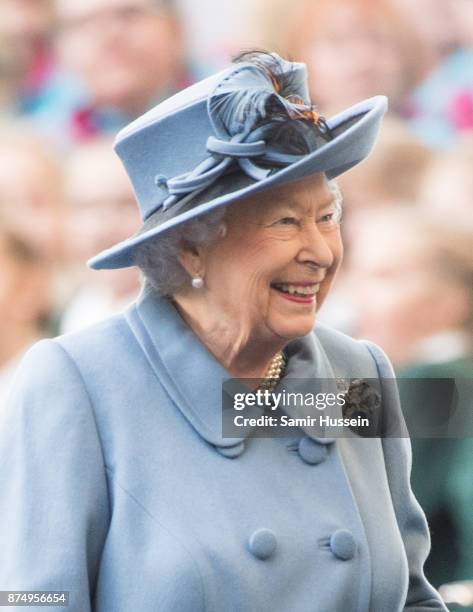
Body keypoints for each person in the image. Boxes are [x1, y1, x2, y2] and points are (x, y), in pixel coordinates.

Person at [0, 52, 447, 611]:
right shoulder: (78, 385)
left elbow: (410, 596)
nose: (320, 252)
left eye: (327, 217)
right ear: (191, 247)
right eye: (285, 222)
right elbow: (32, 601)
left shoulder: (357, 371)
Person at [60, 137, 141, 333]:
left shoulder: (181, 313)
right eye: (84, 207)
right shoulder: (77, 307)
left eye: (124, 204)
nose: (102, 227)